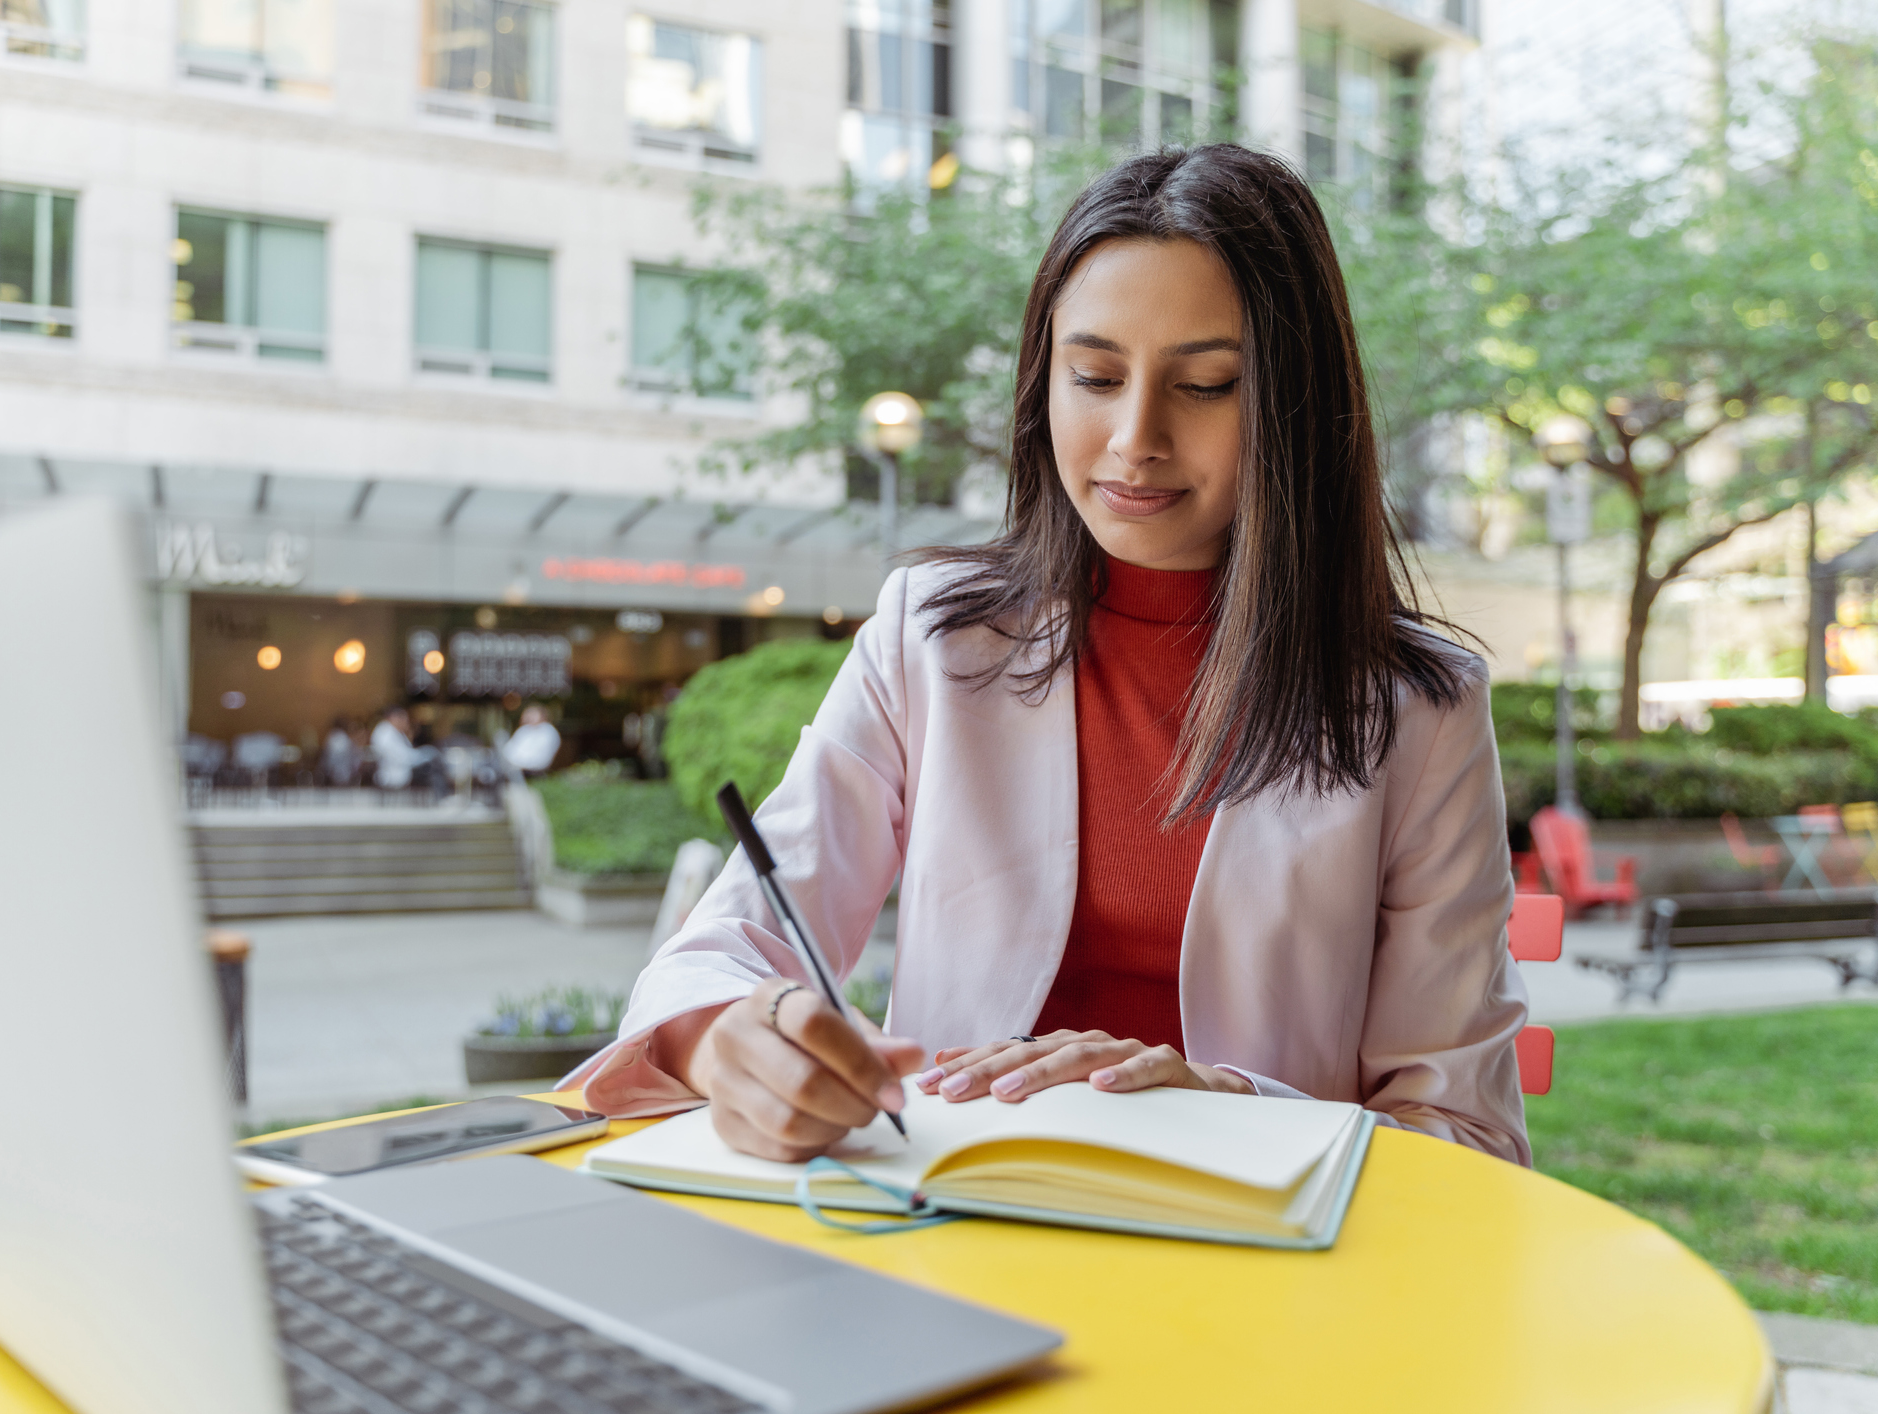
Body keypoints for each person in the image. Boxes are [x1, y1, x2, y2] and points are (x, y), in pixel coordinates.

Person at [571, 146, 1529, 1168]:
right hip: (950, 1227)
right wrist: (732, 1039)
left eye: (1206, 385)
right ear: (1043, 382)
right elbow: (727, 943)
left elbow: (1462, 1134)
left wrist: (1228, 1101)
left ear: (1294, 409)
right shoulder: (932, 636)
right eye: (1096, 375)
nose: (1134, 437)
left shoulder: (1415, 710)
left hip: (1253, 1270)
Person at [369, 707, 437, 792]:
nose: (406, 722)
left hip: (401, 768)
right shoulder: (386, 734)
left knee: (433, 763)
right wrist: (425, 754)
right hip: (394, 773)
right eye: (404, 719)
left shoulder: (393, 731)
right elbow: (404, 757)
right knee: (434, 769)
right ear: (394, 718)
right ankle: (442, 799)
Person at [502, 704, 561, 775]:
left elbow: (540, 755)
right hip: (515, 766)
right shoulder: (524, 730)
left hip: (533, 769)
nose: (529, 717)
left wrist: (518, 762)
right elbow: (509, 750)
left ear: (542, 716)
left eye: (533, 714)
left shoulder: (548, 731)